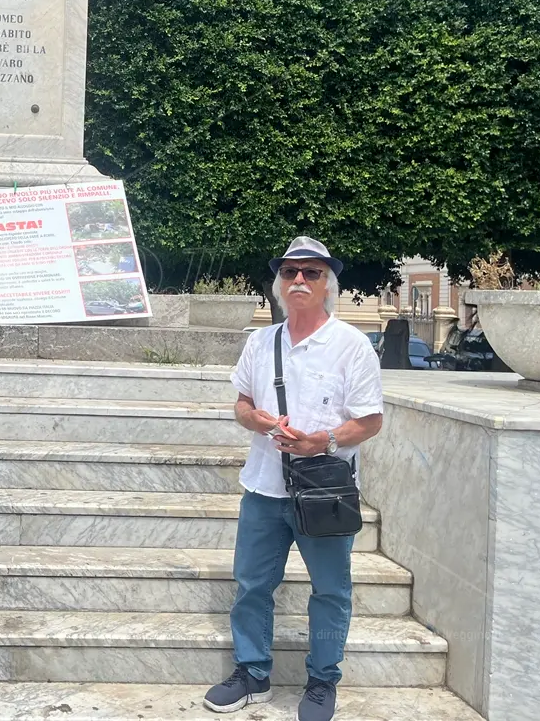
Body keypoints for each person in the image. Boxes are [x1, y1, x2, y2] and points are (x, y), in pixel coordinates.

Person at [203, 237, 383, 721]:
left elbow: (369, 421)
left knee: (330, 590)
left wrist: (320, 441)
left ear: (328, 284)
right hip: (263, 486)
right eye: (290, 272)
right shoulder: (260, 342)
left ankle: (323, 681)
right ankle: (252, 672)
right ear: (278, 283)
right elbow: (241, 404)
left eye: (312, 272)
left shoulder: (352, 346)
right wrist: (256, 420)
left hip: (325, 490)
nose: (299, 280)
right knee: (253, 584)